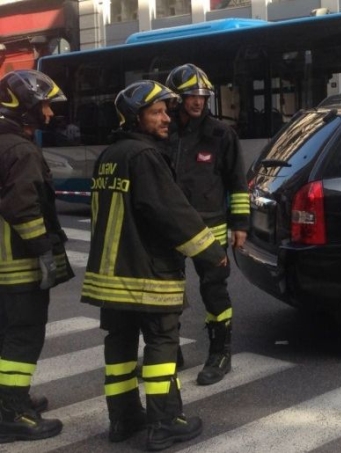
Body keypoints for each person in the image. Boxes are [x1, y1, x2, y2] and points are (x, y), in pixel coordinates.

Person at [80, 80, 227, 450]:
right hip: (147, 273)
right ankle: (165, 423)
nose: (166, 118)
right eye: (157, 112)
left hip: (109, 276)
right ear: (135, 116)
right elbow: (171, 213)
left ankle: (124, 419)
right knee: (162, 342)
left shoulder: (109, 155)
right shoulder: (144, 157)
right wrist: (211, 252)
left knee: (119, 345)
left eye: (166, 111)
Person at [0, 69, 73, 443]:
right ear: (24, 107)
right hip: (17, 264)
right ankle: (12, 412)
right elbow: (24, 208)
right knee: (23, 337)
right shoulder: (21, 150)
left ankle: (7, 401)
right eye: (43, 106)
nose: (48, 115)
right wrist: (44, 251)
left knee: (4, 335)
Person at [165, 64, 249, 386]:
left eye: (202, 95)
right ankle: (168, 351)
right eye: (190, 96)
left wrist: (240, 224)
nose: (198, 102)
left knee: (214, 292)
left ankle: (220, 354)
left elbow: (237, 183)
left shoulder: (220, 135)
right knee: (167, 292)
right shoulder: (164, 133)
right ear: (177, 98)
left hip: (210, 229)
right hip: (171, 228)